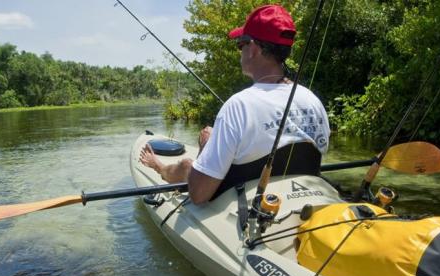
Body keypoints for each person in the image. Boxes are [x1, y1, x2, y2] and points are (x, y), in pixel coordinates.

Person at [140, 4, 330, 204]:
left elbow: (199, 195)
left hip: (243, 207)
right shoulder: (313, 100)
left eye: (241, 44)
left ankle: (159, 167)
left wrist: (206, 147)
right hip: (303, 199)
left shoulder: (238, 106)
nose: (240, 51)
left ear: (253, 49)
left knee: (189, 165)